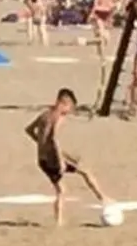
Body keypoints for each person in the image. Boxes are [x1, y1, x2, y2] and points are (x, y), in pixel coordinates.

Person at [26, 87, 110, 227]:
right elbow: (54, 138)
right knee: (65, 188)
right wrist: (61, 161)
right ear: (64, 103)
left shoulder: (44, 115)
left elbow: (29, 130)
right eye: (70, 107)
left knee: (80, 172)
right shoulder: (59, 118)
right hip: (53, 158)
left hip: (42, 159)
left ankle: (60, 221)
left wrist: (40, 142)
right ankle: (103, 198)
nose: (69, 111)